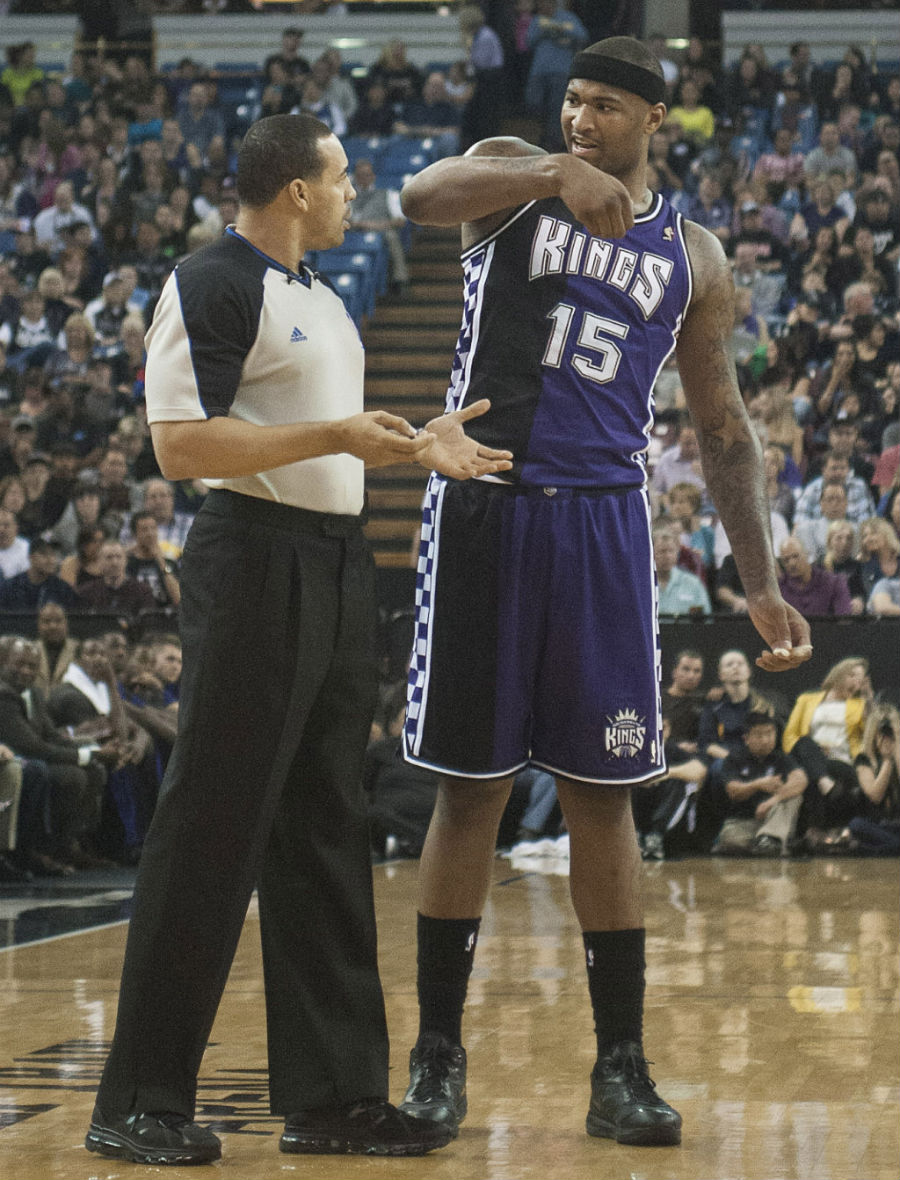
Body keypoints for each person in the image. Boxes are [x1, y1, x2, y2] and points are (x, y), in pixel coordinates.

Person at [394, 36, 811, 1152]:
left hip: (603, 525)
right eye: (574, 102)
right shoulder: (508, 175)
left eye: (605, 108)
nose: (582, 120)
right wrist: (545, 171)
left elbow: (723, 428)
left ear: (651, 122)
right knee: (472, 794)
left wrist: (759, 582)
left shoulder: (696, 252)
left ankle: (620, 1066)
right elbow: (416, 194)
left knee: (603, 793)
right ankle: (438, 1057)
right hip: (488, 502)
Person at [85, 112, 512, 1168]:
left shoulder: (320, 297)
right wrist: (335, 434)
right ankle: (135, 1097)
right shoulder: (211, 279)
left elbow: (328, 436)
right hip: (250, 559)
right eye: (339, 179)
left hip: (333, 562)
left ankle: (333, 1097)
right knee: (212, 825)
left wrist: (419, 443)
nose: (353, 194)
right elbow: (182, 445)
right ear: (293, 193)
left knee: (329, 823)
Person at [712, 711, 807, 857]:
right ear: (746, 738)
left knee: (794, 798)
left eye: (770, 734)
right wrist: (757, 784)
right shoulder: (734, 759)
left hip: (775, 820)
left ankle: (769, 839)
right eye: (758, 735)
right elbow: (733, 792)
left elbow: (801, 781)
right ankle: (770, 844)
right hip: (744, 822)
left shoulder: (782, 758)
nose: (765, 740)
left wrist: (773, 800)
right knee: (729, 841)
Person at [777, 535, 852, 617]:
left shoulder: (834, 583)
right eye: (786, 560)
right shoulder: (778, 590)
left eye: (796, 556)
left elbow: (845, 620)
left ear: (807, 554)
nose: (792, 563)